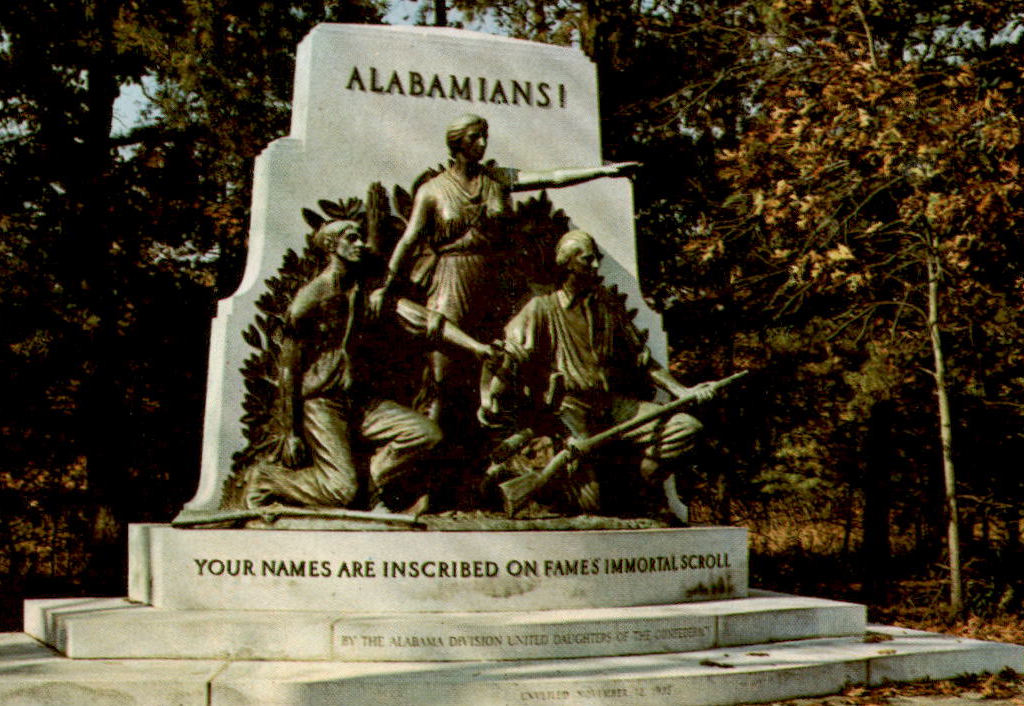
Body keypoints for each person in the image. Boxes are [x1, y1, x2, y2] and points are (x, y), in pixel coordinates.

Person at [377, 114, 635, 427]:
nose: (482, 143)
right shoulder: (432, 191)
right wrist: (387, 284)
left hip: (496, 278)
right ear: (457, 143)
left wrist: (602, 172)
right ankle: (433, 429)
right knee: (443, 363)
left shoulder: (497, 179)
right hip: (452, 276)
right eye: (474, 137)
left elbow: (553, 177)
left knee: (510, 350)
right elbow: (409, 240)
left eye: (485, 136)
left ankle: (511, 424)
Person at [242, 220, 503, 513]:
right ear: (331, 246)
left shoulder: (366, 294)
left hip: (360, 403)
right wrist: (291, 432)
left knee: (425, 434)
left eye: (361, 238)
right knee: (341, 491)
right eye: (352, 238)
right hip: (323, 403)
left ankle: (368, 489)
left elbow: (427, 321)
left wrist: (477, 348)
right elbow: (288, 369)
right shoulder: (310, 299)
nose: (361, 244)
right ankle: (266, 480)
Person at [481, 230, 708, 517]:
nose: (596, 266)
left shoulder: (607, 307)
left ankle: (645, 489)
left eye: (596, 258)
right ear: (566, 263)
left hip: (613, 406)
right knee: (590, 505)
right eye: (587, 259)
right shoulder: (542, 309)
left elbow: (643, 360)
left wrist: (682, 391)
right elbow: (508, 356)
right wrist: (490, 396)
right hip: (570, 411)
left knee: (685, 427)